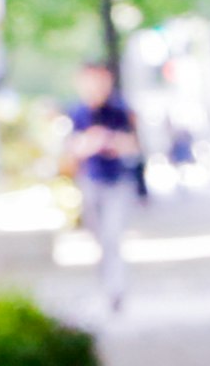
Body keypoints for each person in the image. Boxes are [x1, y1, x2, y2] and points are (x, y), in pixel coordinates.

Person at [65, 62, 143, 316]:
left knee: (113, 236)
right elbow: (72, 150)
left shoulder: (120, 110)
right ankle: (106, 286)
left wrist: (109, 140)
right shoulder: (78, 112)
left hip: (118, 181)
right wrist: (89, 142)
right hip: (91, 181)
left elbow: (133, 145)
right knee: (99, 238)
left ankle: (116, 289)